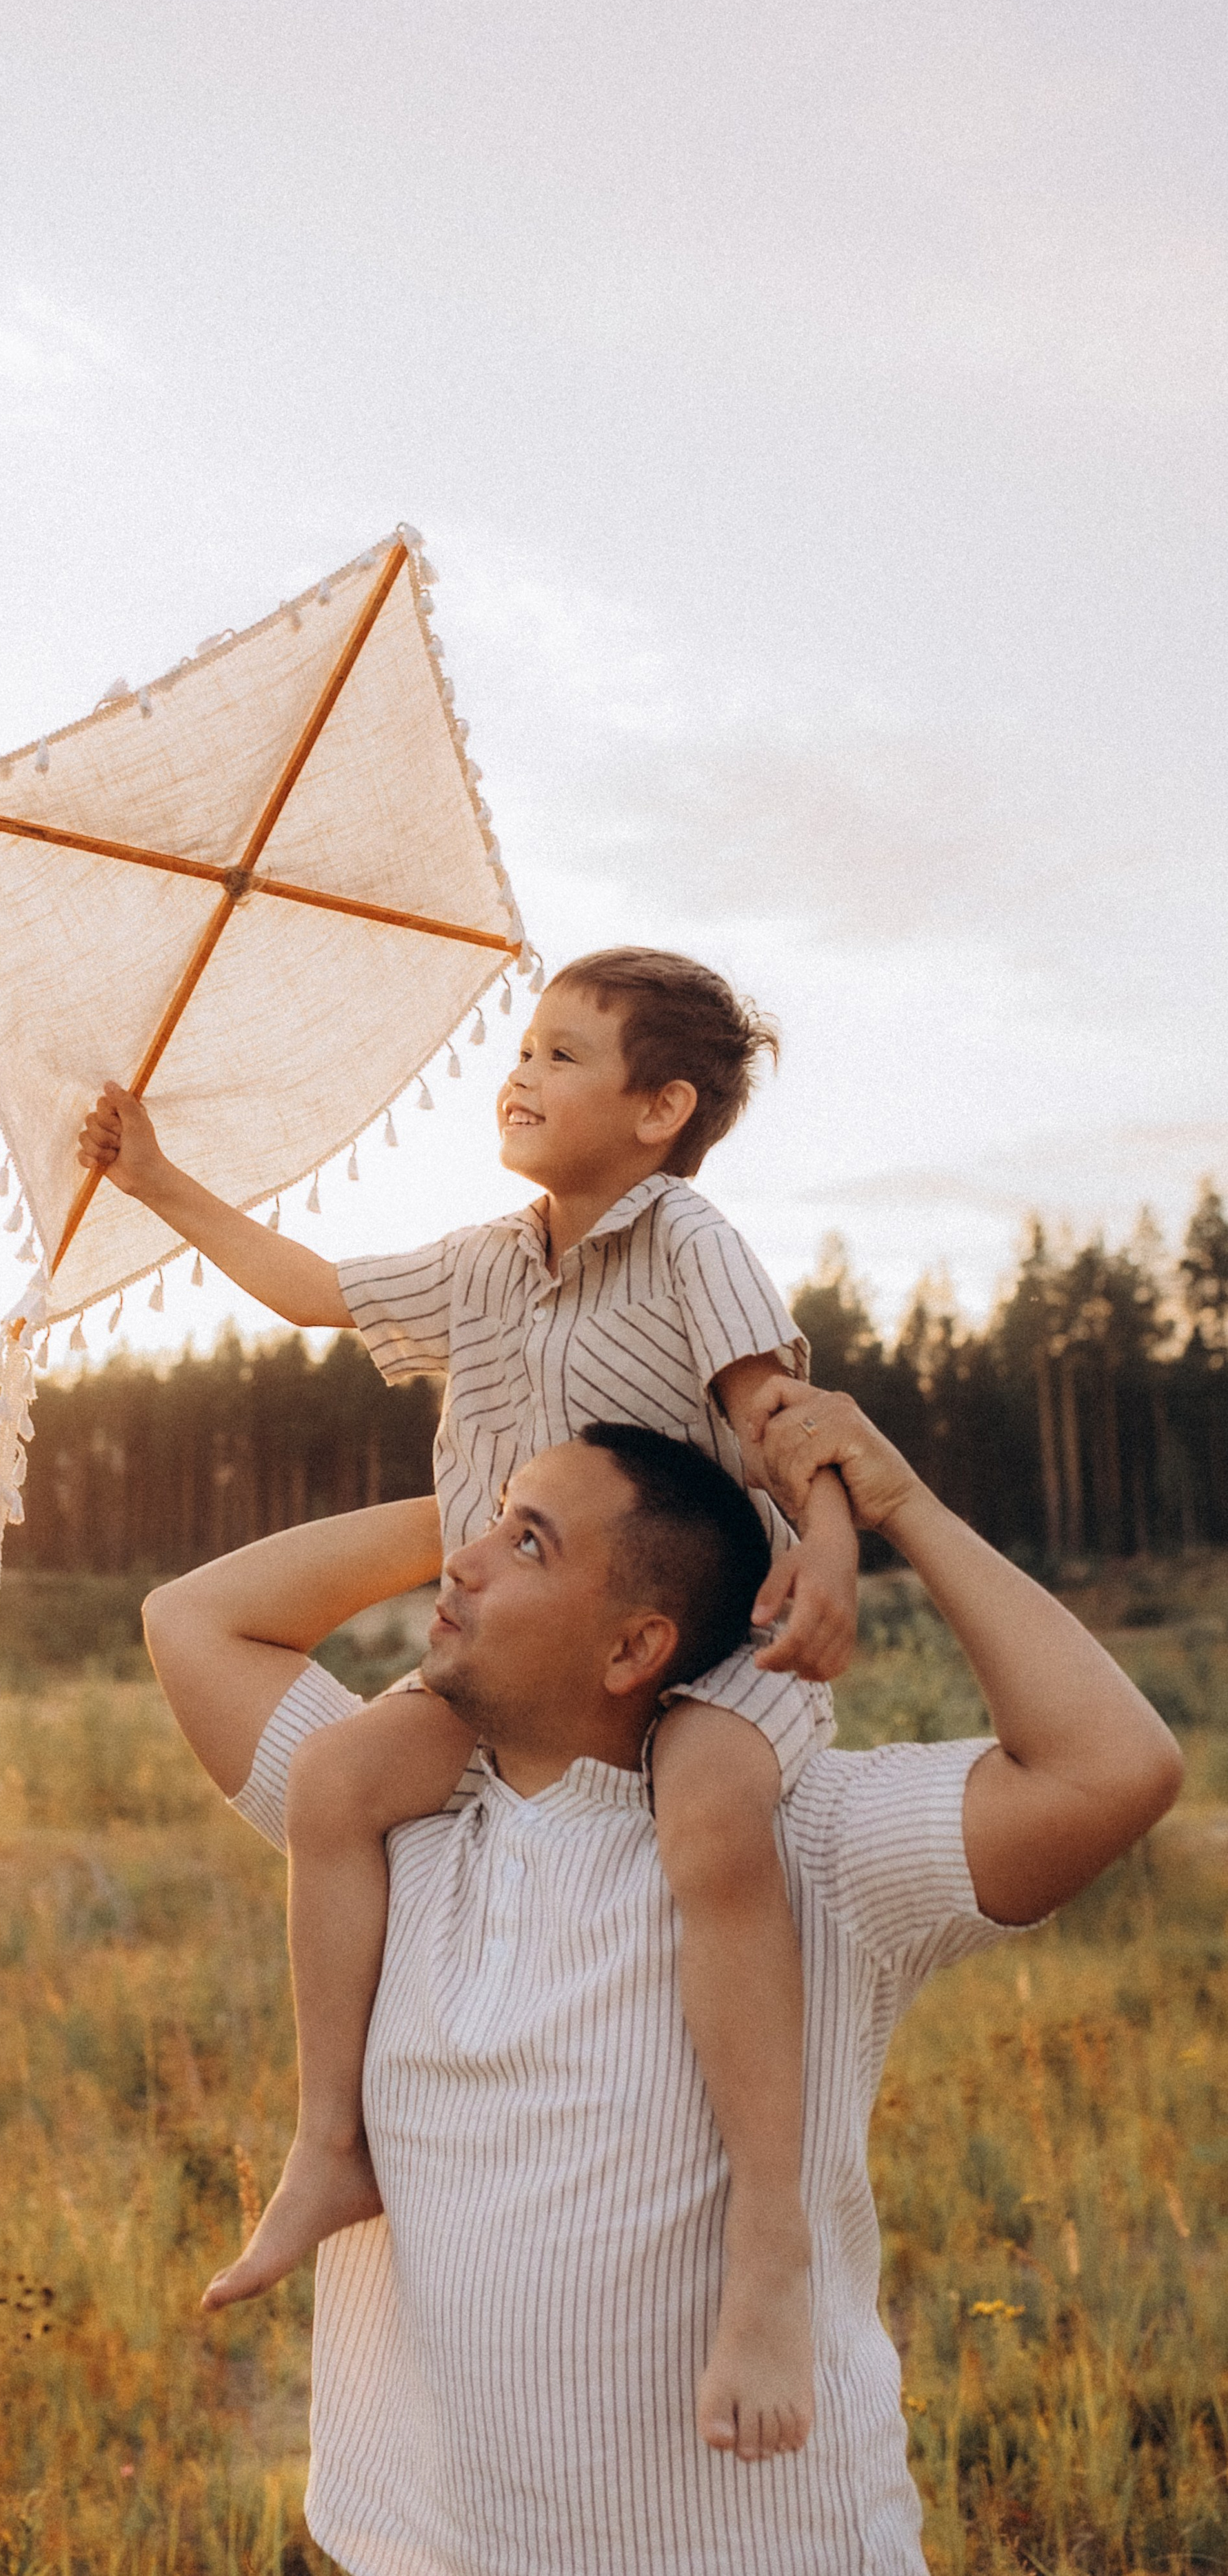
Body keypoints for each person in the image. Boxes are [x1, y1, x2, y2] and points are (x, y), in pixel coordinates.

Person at [141, 1390, 1182, 2576]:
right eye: (490, 1526)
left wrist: (899, 1509)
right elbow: (194, 1619)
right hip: (442, 2551)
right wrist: (485, 1491)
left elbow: (1117, 1767)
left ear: (635, 1646)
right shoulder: (399, 1830)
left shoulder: (803, 1843)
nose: (465, 1563)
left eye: (527, 1543)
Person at [80, 947, 856, 2456]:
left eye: (565, 1054)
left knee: (709, 1818)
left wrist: (827, 1551)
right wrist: (157, 1183)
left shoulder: (687, 1239)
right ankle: (326, 2145)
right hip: (516, 1654)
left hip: (687, 1642)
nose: (521, 1073)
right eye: (523, 1046)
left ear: (658, 1110)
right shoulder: (483, 1264)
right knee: (337, 1787)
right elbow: (311, 1293)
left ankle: (767, 2236)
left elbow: (775, 1419)